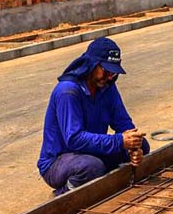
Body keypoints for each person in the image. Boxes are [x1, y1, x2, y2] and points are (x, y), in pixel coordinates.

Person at [37, 37, 149, 196]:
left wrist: (134, 148)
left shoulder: (107, 87)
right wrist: (119, 141)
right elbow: (74, 139)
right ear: (92, 64)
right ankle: (62, 194)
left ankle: (100, 180)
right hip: (59, 161)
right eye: (106, 70)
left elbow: (123, 123)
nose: (110, 76)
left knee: (142, 144)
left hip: (91, 152)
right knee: (92, 167)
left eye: (113, 72)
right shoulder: (68, 91)